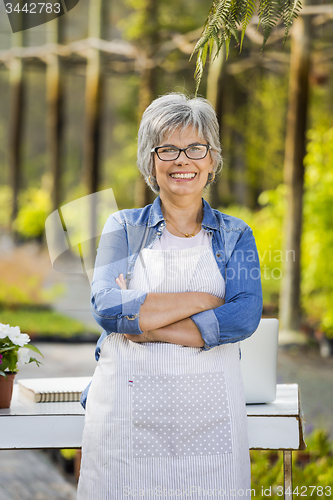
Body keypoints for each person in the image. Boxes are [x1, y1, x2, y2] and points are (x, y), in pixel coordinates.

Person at [77, 93, 262, 499]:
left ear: (211, 160)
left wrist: (147, 326)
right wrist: (204, 298)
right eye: (168, 149)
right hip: (125, 421)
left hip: (210, 423)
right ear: (151, 160)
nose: (183, 160)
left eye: (196, 148)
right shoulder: (123, 227)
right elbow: (107, 308)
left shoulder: (236, 235)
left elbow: (245, 315)